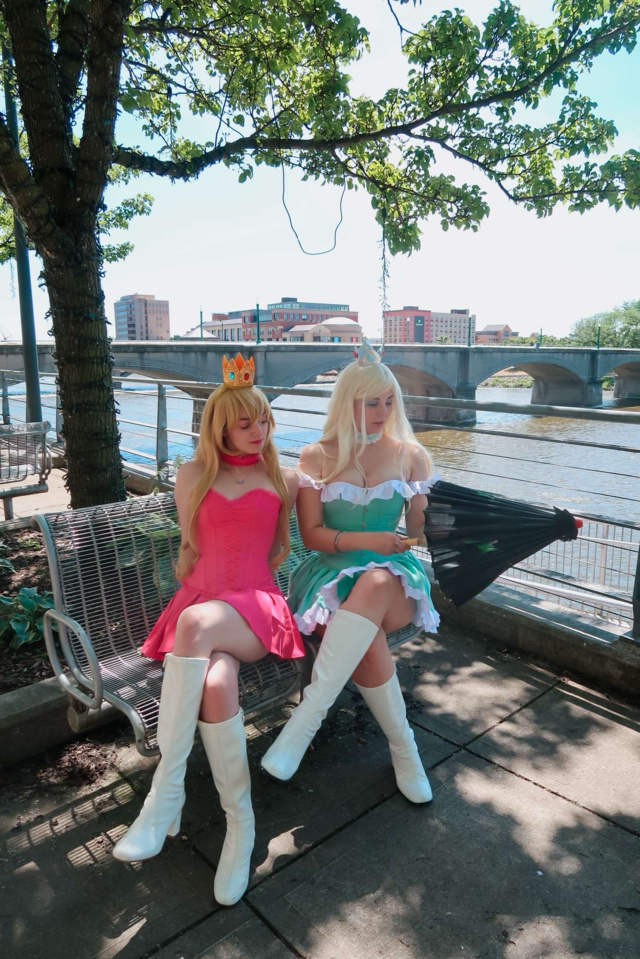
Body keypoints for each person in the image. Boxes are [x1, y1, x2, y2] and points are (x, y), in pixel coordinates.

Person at [112, 354, 304, 906]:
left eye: (263, 420)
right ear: (219, 425)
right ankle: (240, 828)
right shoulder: (193, 474)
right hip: (201, 602)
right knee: (216, 684)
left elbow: (330, 494)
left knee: (196, 623)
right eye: (245, 423)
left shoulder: (284, 476)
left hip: (256, 608)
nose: (259, 431)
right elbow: (194, 546)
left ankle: (164, 796)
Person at [261, 340, 439, 802]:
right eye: (370, 402)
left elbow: (418, 533)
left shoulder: (411, 456)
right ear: (347, 403)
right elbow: (312, 536)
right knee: (364, 635)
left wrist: (429, 518)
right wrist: (368, 541)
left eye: (389, 401)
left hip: (394, 580)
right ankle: (405, 750)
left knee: (375, 582)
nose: (383, 412)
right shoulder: (316, 456)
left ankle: (305, 721)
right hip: (328, 579)